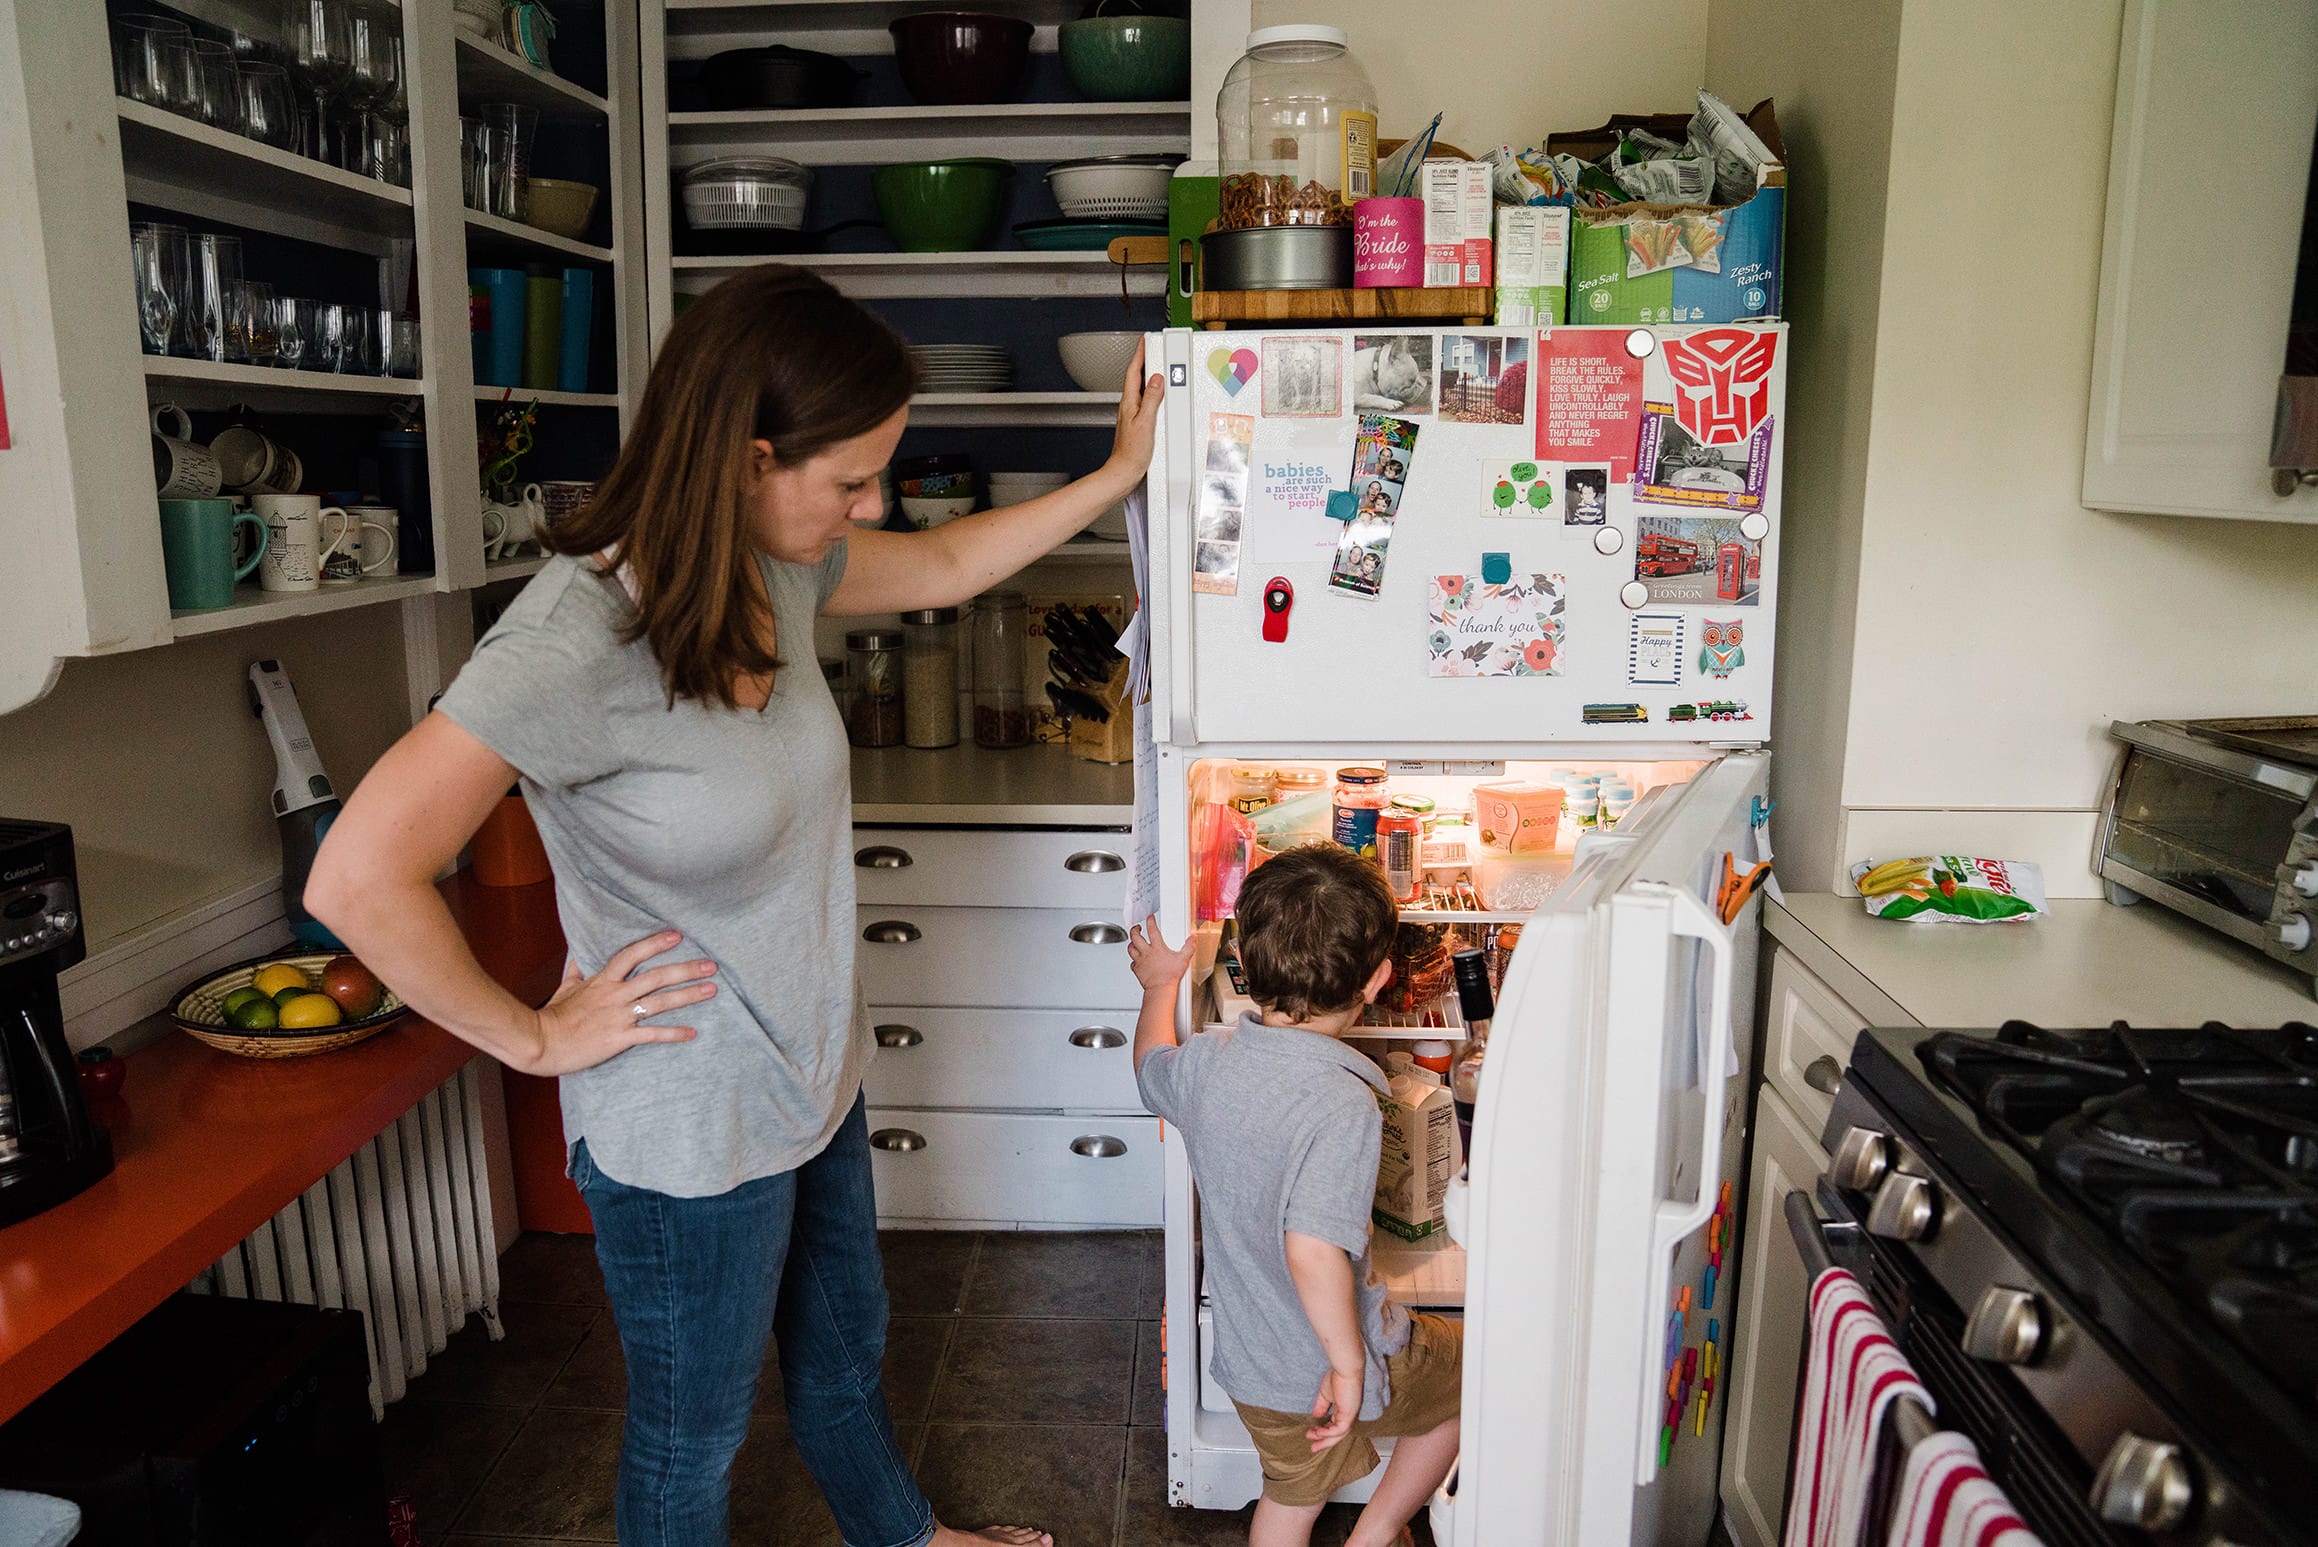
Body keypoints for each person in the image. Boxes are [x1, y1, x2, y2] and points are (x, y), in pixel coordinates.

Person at [305, 265, 1163, 1547]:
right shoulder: (572, 639)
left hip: (811, 1072)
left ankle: (908, 1539)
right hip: (687, 1119)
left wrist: (1111, 476)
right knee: (691, 1436)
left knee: (840, 1358)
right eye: (849, 480)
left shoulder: (772, 561)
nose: (869, 505)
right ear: (749, 455)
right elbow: (355, 875)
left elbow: (935, 563)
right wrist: (535, 1038)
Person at [1124, 847, 1461, 1547]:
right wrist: (1347, 1363)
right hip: (1346, 1356)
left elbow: (1150, 1067)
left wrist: (1160, 988)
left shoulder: (1208, 1065)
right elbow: (1310, 1247)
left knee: (1289, 1500)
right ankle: (1375, 1536)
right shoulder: (1345, 1105)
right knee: (1475, 1378)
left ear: (1242, 958)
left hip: (1252, 1362)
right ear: (1378, 979)